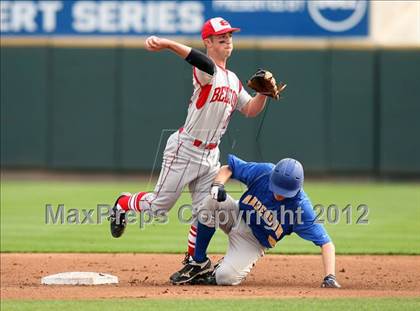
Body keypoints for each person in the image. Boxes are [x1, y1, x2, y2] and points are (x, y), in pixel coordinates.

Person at [109, 17, 281, 276]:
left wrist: (264, 94)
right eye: (221, 36)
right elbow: (199, 60)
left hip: (211, 154)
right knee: (159, 206)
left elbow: (250, 110)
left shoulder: (233, 80)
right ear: (208, 42)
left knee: (208, 208)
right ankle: (122, 204)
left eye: (229, 36)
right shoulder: (206, 70)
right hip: (185, 149)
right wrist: (167, 44)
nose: (227, 40)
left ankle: (195, 261)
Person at [170, 154, 341, 288]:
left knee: (225, 278)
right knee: (212, 200)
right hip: (236, 214)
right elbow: (229, 168)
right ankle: (199, 262)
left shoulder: (301, 209)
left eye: (284, 192)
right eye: (277, 188)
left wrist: (330, 276)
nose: (278, 194)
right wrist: (218, 184)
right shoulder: (265, 172)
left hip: (253, 241)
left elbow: (326, 243)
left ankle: (222, 268)